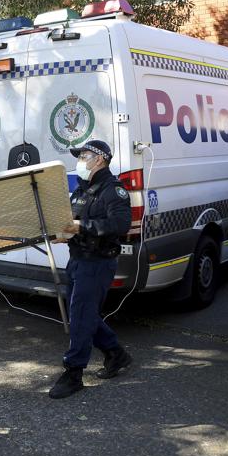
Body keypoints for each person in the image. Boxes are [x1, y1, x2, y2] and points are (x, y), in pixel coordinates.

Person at [49, 140, 133, 399]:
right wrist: (65, 235)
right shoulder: (81, 189)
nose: (80, 160)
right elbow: (75, 223)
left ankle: (73, 372)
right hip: (78, 259)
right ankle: (116, 354)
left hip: (97, 262)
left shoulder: (113, 189)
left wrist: (81, 226)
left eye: (84, 155)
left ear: (100, 159)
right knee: (84, 314)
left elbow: (121, 223)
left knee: (81, 316)